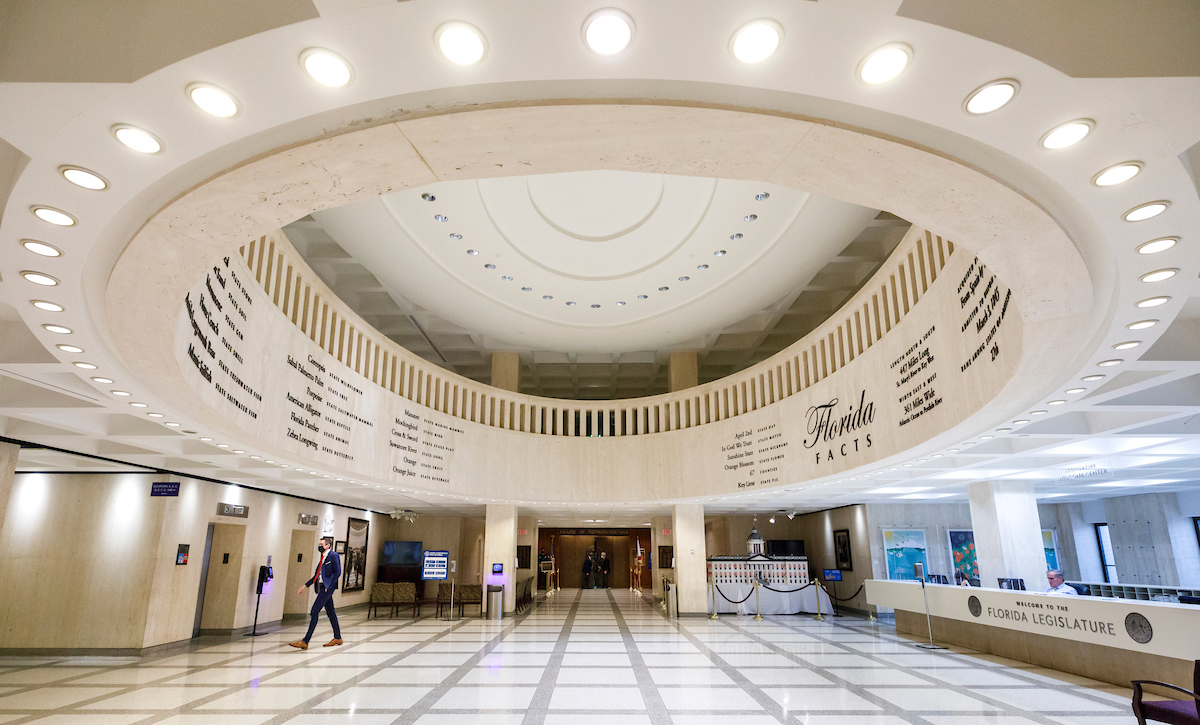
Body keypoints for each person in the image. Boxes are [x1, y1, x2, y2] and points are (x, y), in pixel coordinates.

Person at [290, 536, 344, 649]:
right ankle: (338, 637)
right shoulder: (322, 558)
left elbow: (337, 572)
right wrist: (305, 585)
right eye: (319, 544)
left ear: (328, 545)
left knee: (314, 611)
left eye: (322, 544)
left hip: (326, 588)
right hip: (321, 587)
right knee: (330, 612)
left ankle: (305, 641)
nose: (320, 546)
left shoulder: (333, 556)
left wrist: (329, 585)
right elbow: (317, 575)